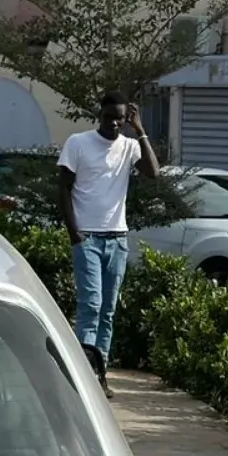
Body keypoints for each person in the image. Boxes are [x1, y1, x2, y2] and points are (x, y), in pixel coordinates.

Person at [58, 92, 160, 398]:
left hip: (117, 238)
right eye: (108, 117)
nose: (114, 123)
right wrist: (74, 233)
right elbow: (63, 188)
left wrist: (139, 129)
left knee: (108, 311)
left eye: (120, 118)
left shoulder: (129, 146)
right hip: (87, 237)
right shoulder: (78, 143)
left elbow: (154, 172)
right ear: (99, 115)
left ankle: (99, 374)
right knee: (90, 306)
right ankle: (82, 376)